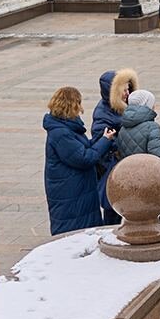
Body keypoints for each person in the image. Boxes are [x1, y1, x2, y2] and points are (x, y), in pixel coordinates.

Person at [44, 86, 116, 235]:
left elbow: (81, 148)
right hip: (70, 192)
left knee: (83, 228)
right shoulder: (61, 133)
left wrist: (102, 139)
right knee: (73, 232)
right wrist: (105, 141)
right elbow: (84, 158)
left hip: (76, 188)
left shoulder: (66, 126)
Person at [91, 68, 138, 224]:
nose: (127, 93)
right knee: (112, 210)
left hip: (121, 166)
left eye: (128, 89)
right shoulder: (103, 114)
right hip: (113, 169)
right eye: (124, 90)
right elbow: (100, 142)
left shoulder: (120, 108)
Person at [115, 89, 160, 166]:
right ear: (147, 104)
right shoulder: (151, 127)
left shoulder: (123, 127)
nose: (154, 106)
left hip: (128, 170)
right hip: (147, 171)